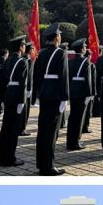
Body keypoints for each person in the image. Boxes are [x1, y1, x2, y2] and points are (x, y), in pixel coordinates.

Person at [32, 23, 68, 175]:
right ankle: (48, 166)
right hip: (55, 96)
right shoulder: (60, 53)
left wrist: (39, 93)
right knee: (51, 132)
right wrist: (65, 98)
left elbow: (36, 76)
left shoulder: (41, 54)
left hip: (45, 95)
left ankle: (41, 164)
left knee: (43, 130)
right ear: (57, 37)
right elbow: (63, 76)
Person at [0, 36, 28, 167]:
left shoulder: (7, 61)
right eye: (24, 45)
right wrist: (22, 101)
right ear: (21, 47)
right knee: (13, 129)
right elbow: (23, 83)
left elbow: (3, 80)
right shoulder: (22, 62)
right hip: (17, 97)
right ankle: (10, 158)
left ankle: (3, 157)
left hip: (8, 94)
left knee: (5, 128)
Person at [65, 38, 93, 150]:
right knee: (79, 118)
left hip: (73, 91)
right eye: (85, 46)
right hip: (81, 92)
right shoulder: (85, 61)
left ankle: (70, 141)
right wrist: (89, 94)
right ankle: (75, 142)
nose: (86, 48)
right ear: (82, 49)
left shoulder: (70, 61)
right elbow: (88, 80)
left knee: (72, 116)